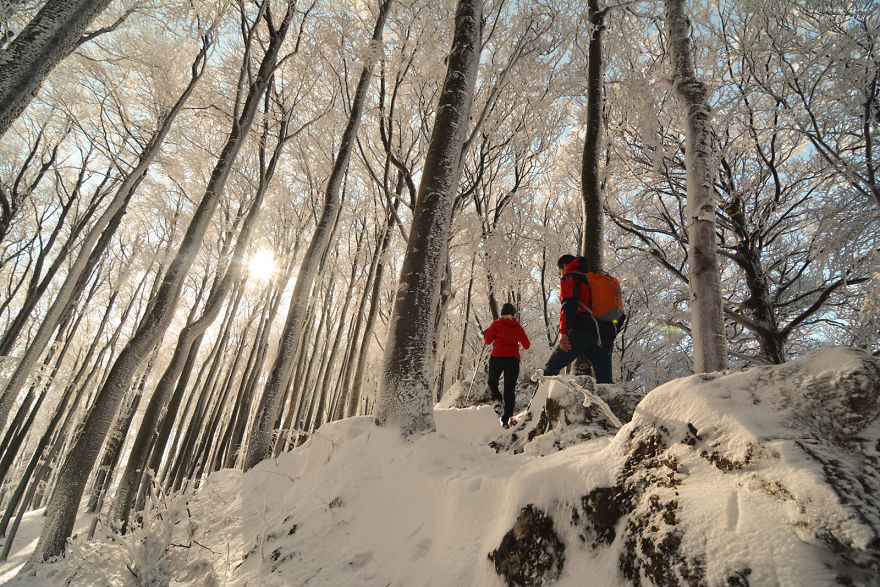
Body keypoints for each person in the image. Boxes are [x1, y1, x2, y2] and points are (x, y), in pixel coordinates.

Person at [542, 254, 617, 383]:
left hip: (583, 331)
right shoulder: (595, 281)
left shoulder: (570, 277)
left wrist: (563, 332)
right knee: (605, 382)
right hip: (605, 334)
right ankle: (606, 403)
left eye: (560, 272)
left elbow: (569, 305)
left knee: (550, 369)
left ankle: (542, 402)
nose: (560, 275)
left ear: (564, 266)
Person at [483, 303, 530, 428]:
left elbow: (487, 340)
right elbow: (527, 345)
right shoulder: (518, 327)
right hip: (513, 359)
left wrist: (487, 332)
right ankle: (506, 420)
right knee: (509, 390)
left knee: (492, 382)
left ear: (502, 313)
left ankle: (497, 399)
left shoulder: (497, 324)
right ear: (513, 314)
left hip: (497, 357)